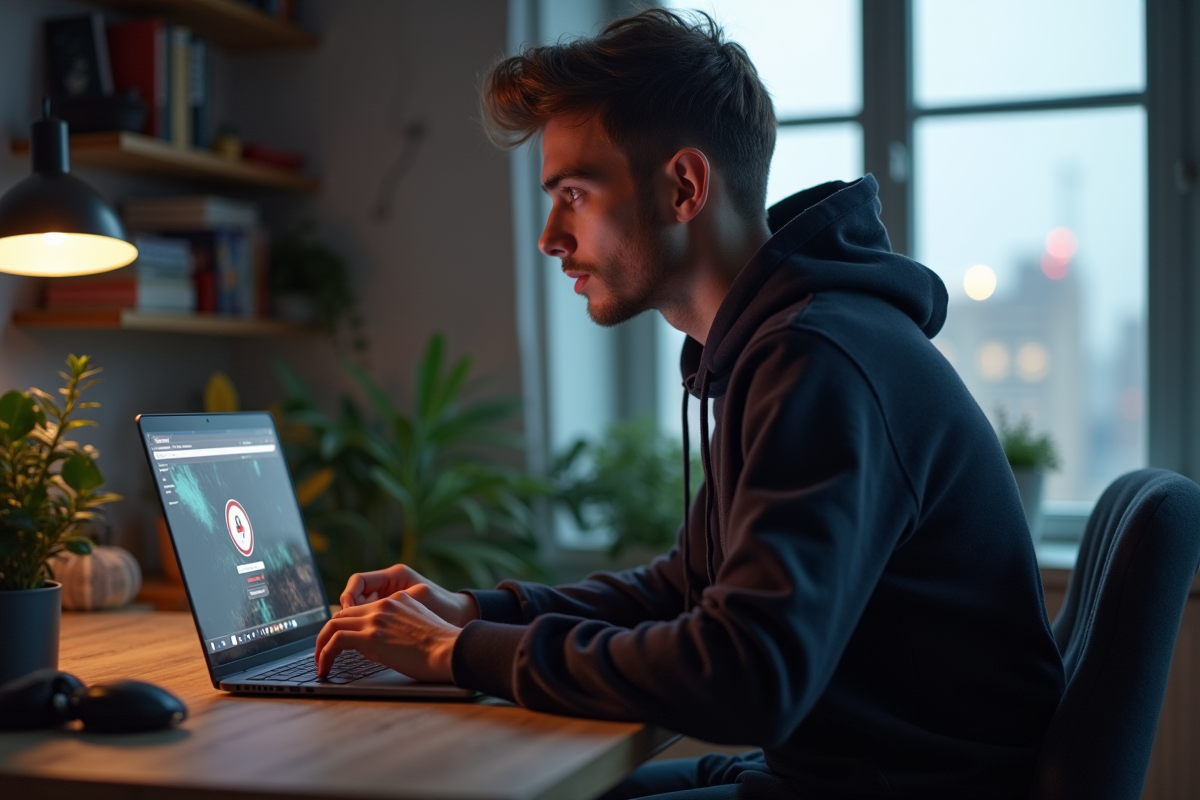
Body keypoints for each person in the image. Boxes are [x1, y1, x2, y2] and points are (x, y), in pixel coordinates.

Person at [314, 9, 1064, 799]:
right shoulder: (781, 345)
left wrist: (454, 655)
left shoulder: (817, 361)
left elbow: (747, 675)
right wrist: (470, 611)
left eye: (574, 193)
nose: (549, 236)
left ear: (683, 186)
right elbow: (684, 588)